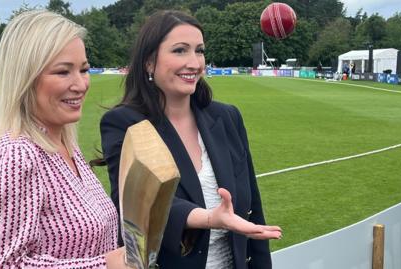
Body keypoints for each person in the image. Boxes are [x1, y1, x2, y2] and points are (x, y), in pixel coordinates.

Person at [100, 10, 282, 269]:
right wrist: (209, 218)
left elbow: (254, 211)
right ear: (149, 61)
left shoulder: (227, 117)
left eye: (199, 50)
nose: (195, 63)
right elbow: (139, 204)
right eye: (180, 50)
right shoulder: (126, 123)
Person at [0, 10, 130, 268]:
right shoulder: (14, 155)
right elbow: (0, 265)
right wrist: (105, 265)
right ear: (25, 77)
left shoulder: (65, 145)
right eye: (63, 72)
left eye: (84, 69)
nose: (80, 84)